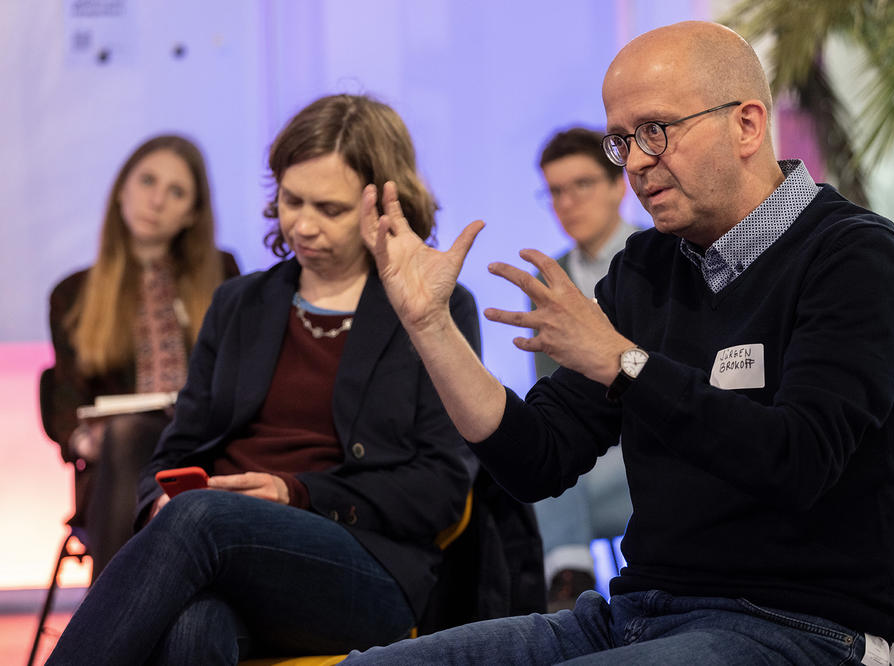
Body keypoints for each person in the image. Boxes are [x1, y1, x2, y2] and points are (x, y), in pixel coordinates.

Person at [347, 20, 894, 665]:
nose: (638, 161)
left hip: (805, 625)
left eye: (657, 129)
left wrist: (622, 363)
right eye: (622, 140)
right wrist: (431, 325)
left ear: (746, 124)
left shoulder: (854, 256)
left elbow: (798, 463)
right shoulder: (645, 268)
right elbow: (535, 461)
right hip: (636, 614)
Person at [46, 94, 480, 664]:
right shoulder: (238, 304)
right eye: (291, 200)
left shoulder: (432, 308)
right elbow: (170, 453)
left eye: (329, 208)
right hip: (222, 551)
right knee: (194, 628)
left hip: (366, 568)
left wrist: (294, 492)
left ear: (384, 205)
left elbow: (441, 490)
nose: (301, 224)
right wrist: (157, 500)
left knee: (199, 517)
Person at [45, 134, 239, 579]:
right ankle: (114, 617)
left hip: (204, 448)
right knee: (129, 435)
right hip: (117, 462)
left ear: (193, 214)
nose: (157, 201)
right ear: (121, 190)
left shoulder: (224, 274)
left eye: (177, 192)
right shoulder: (73, 294)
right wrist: (81, 439)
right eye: (148, 181)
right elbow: (63, 394)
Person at [530, 127, 637, 609]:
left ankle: (567, 583)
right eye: (555, 190)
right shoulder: (548, 282)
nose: (567, 202)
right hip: (590, 454)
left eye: (582, 185)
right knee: (533, 461)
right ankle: (565, 586)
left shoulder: (660, 256)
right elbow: (552, 393)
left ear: (619, 185)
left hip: (649, 445)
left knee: (547, 476)